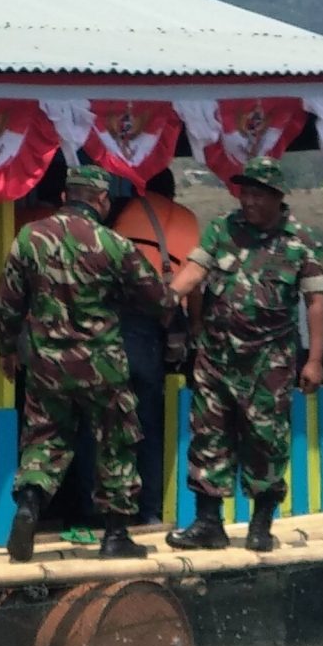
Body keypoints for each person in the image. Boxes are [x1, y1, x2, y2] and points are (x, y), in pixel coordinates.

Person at [0, 161, 169, 562]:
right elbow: (157, 299)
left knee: (45, 439)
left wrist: (6, 351)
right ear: (101, 200)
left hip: (46, 365)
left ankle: (30, 504)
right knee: (115, 443)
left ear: (66, 196)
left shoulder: (28, 239)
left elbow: (5, 305)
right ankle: (116, 535)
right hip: (101, 365)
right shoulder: (114, 244)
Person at [165, 159, 323, 554]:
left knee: (266, 441)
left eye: (257, 194)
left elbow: (316, 303)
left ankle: (260, 525)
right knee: (208, 438)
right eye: (245, 192)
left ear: (277, 197)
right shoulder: (223, 229)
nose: (249, 201)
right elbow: (194, 272)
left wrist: (315, 360)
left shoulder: (300, 241)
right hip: (217, 356)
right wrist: (168, 296)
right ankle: (208, 524)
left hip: (268, 361)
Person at [111, 167, 199, 526]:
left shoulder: (121, 211)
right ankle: (148, 510)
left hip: (119, 320)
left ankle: (105, 510)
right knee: (149, 418)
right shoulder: (188, 220)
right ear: (173, 191)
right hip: (163, 321)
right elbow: (196, 285)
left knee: (109, 419)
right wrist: (193, 331)